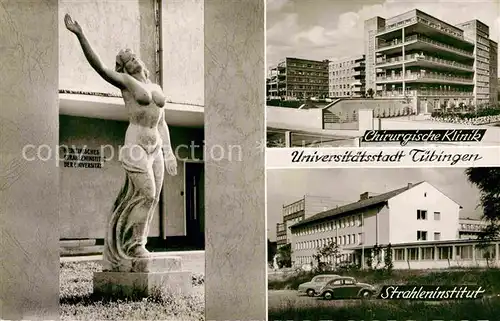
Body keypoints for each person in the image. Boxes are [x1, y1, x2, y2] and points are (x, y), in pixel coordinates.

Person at [64, 14, 177, 270]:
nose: (133, 60)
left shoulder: (156, 86)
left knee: (152, 198)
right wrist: (80, 35)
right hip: (136, 144)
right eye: (127, 60)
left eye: (134, 56)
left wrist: (169, 152)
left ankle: (138, 243)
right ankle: (132, 245)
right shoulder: (126, 83)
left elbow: (162, 122)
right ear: (124, 67)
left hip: (156, 147)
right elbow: (100, 68)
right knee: (145, 193)